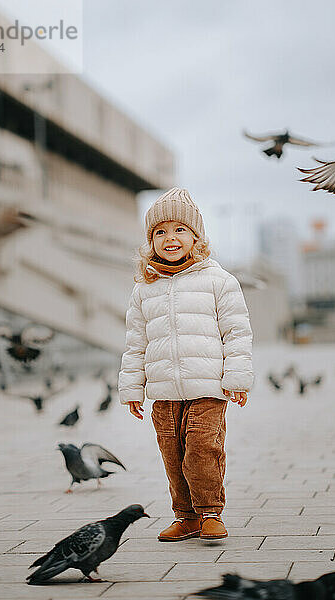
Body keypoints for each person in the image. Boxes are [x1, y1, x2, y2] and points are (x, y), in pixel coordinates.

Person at [118, 187, 254, 541]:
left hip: (209, 387)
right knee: (172, 453)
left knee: (202, 449)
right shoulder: (144, 289)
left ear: (196, 236)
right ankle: (186, 516)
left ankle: (210, 512)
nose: (170, 238)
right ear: (150, 241)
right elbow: (136, 343)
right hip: (164, 390)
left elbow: (237, 332)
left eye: (179, 229)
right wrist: (132, 387)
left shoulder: (219, 281)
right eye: (160, 232)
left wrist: (236, 377)